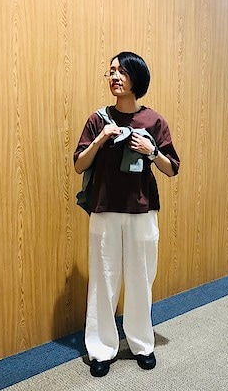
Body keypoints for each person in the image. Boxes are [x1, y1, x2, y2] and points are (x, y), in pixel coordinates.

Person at [73, 51, 180, 377]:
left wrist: (152, 151)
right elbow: (79, 164)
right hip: (104, 211)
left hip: (142, 212)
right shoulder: (98, 120)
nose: (114, 77)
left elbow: (172, 168)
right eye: (111, 71)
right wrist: (100, 139)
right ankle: (101, 349)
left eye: (122, 71)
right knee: (103, 281)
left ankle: (142, 344)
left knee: (140, 280)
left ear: (137, 78)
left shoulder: (154, 121)